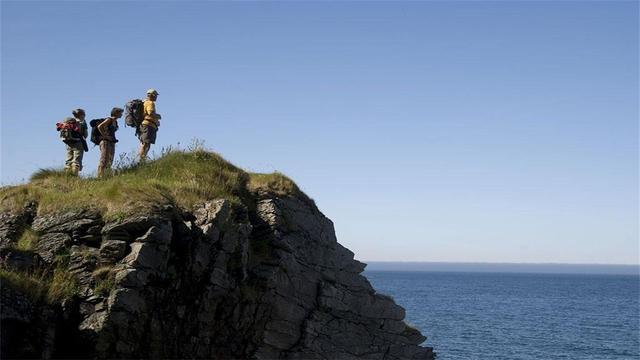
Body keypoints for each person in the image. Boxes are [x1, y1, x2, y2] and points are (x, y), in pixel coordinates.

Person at [97, 107, 123, 177]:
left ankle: (106, 175)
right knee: (104, 159)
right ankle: (100, 176)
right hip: (105, 142)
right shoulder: (109, 119)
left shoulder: (115, 121)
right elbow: (100, 126)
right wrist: (104, 136)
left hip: (112, 142)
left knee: (110, 159)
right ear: (116, 113)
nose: (122, 114)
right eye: (120, 113)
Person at [62, 109, 88, 175]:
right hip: (78, 143)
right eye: (84, 114)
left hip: (68, 143)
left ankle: (66, 175)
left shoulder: (69, 122)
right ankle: (74, 176)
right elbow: (85, 135)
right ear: (81, 115)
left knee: (68, 160)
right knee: (76, 161)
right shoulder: (82, 123)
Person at [138, 89, 161, 161]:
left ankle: (142, 159)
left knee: (146, 143)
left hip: (146, 125)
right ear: (152, 95)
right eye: (156, 95)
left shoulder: (144, 102)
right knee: (145, 143)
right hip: (148, 125)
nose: (156, 97)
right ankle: (141, 160)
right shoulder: (150, 103)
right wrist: (158, 116)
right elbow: (150, 113)